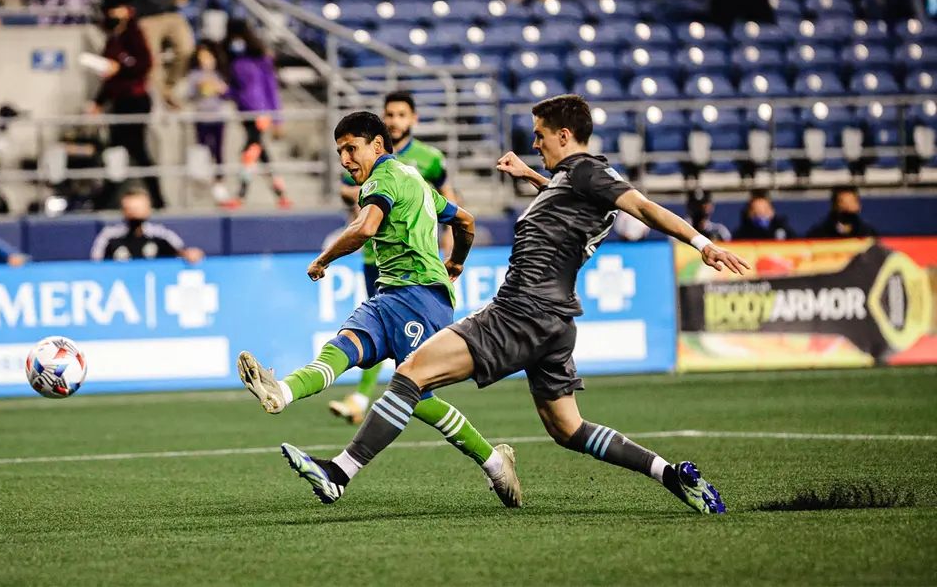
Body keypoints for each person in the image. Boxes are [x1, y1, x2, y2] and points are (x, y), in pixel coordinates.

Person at [278, 95, 751, 513]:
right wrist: (530, 176)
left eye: (540, 136)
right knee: (567, 429)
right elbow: (572, 205)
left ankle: (339, 473)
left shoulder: (588, 170)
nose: (536, 143)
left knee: (411, 374)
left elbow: (643, 206)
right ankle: (672, 475)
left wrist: (700, 242)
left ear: (565, 135)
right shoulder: (574, 182)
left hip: (521, 310)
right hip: (557, 321)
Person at [236, 111, 521, 507]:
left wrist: (323, 259)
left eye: (351, 149)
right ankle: (282, 391)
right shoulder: (416, 182)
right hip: (390, 296)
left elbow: (365, 227)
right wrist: (456, 262)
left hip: (420, 299)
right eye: (339, 152)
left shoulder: (382, 179)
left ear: (377, 145)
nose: (345, 160)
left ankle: (490, 462)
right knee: (345, 346)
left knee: (412, 393)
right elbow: (466, 220)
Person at [329, 91, 460, 426]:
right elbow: (348, 188)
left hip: (415, 258)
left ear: (413, 119)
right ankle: (372, 395)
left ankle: (389, 394)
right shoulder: (363, 155)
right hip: (376, 256)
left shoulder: (428, 158)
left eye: (402, 115)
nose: (395, 120)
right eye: (390, 114)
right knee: (375, 326)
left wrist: (447, 239)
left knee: (390, 330)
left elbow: (447, 199)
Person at [90, 0, 165, 210]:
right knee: (118, 150)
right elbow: (109, 77)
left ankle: (155, 198)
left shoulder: (134, 35)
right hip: (120, 102)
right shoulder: (113, 39)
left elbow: (143, 64)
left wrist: (120, 67)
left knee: (135, 150)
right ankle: (108, 196)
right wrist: (98, 102)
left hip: (136, 101)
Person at [223, 19, 290, 208]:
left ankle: (240, 196)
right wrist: (221, 91)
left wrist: (277, 118)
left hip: (261, 114)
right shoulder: (235, 62)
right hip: (245, 115)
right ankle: (281, 195)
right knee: (263, 156)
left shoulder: (262, 60)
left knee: (249, 154)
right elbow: (236, 90)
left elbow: (271, 89)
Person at [90, 184, 204, 262]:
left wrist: (190, 254)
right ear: (123, 211)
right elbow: (95, 264)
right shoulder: (109, 236)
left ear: (148, 210)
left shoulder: (162, 235)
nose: (134, 213)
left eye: (138, 209)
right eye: (130, 209)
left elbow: (183, 252)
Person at [186, 39, 231, 207]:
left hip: (217, 117)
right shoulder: (194, 76)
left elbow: (228, 94)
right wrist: (198, 88)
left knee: (218, 150)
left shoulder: (218, 75)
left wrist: (222, 89)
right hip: (201, 117)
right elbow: (189, 95)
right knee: (202, 149)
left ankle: (219, 183)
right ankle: (200, 182)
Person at [132, 0, 194, 109]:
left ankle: (169, 89)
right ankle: (160, 96)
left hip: (172, 14)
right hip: (147, 15)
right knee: (152, 59)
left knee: (186, 49)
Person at [806, 186, 880, 238]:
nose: (847, 208)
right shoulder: (819, 234)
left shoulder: (868, 233)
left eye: (851, 202)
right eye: (843, 203)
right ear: (834, 206)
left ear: (858, 206)